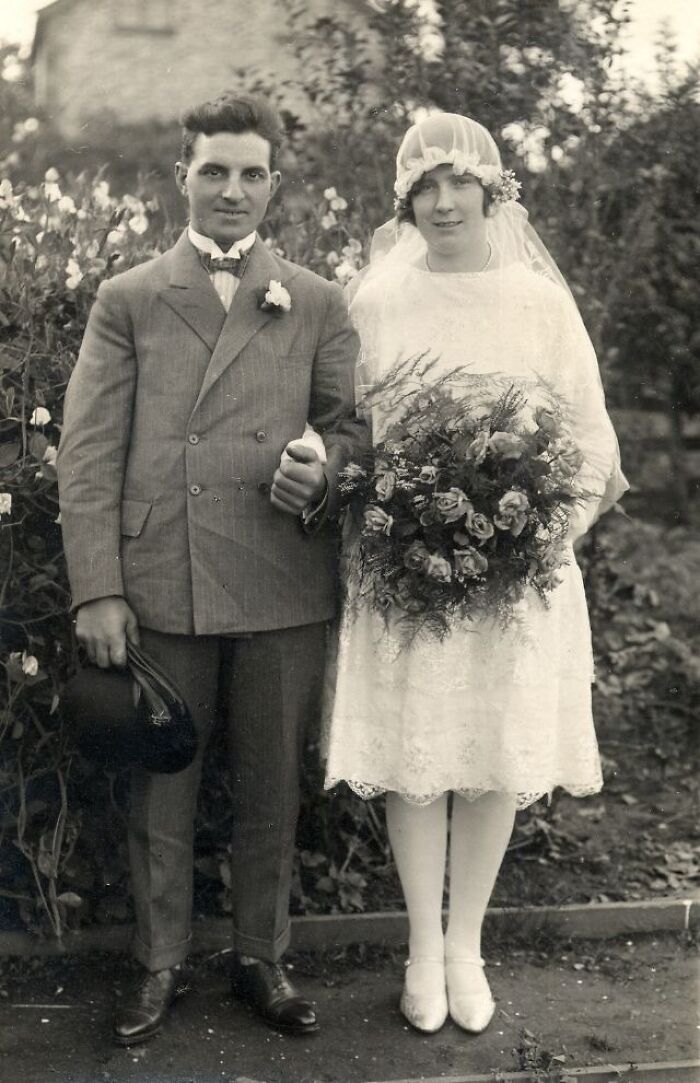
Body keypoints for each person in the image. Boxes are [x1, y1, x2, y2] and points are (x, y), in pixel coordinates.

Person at [57, 92, 366, 1045]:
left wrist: (328, 468)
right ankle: (157, 964)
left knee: (275, 782)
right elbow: (87, 450)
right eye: (213, 171)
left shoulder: (315, 298)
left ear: (276, 184)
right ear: (180, 177)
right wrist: (99, 587)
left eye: (251, 174)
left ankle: (261, 958)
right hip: (164, 575)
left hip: (281, 574)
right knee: (163, 782)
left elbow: (351, 427)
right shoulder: (132, 295)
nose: (232, 190)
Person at [323, 113, 628, 1035]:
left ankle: (469, 947)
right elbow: (352, 430)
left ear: (495, 193)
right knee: (420, 758)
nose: (444, 201)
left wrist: (531, 533)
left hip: (515, 574)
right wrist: (393, 512)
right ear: (405, 199)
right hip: (407, 568)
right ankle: (422, 947)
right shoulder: (375, 297)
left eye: (462, 184)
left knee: (493, 751)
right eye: (427, 186)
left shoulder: (537, 302)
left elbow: (589, 435)